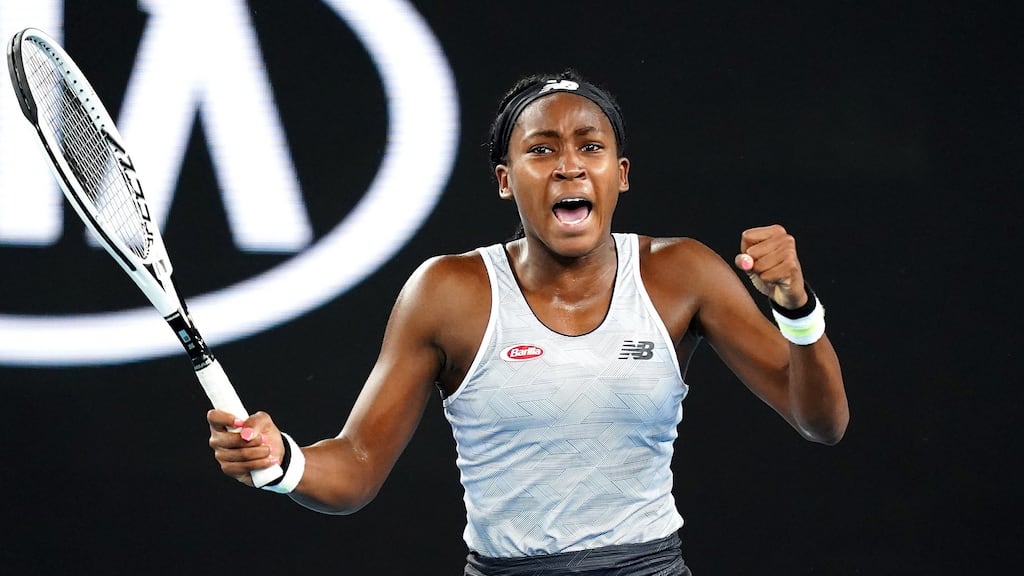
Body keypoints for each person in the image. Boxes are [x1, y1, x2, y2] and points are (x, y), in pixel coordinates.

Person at [207, 69, 849, 575]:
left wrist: (796, 309)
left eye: (590, 147)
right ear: (506, 181)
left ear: (618, 175)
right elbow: (354, 468)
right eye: (542, 150)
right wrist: (281, 461)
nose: (570, 165)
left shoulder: (683, 274)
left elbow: (821, 422)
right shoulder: (448, 292)